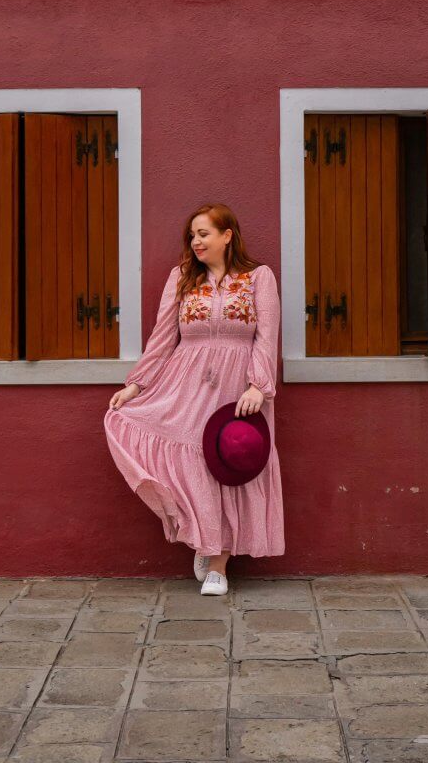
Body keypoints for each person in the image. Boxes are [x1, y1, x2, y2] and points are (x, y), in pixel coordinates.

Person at [103, 202, 285, 595]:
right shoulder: (182, 277)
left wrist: (258, 386)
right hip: (185, 386)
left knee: (226, 467)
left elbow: (266, 338)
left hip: (239, 391)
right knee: (196, 467)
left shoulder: (258, 278)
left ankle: (219, 565)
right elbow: (163, 338)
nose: (195, 241)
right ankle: (205, 537)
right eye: (192, 235)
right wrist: (136, 385)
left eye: (203, 233)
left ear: (227, 235)